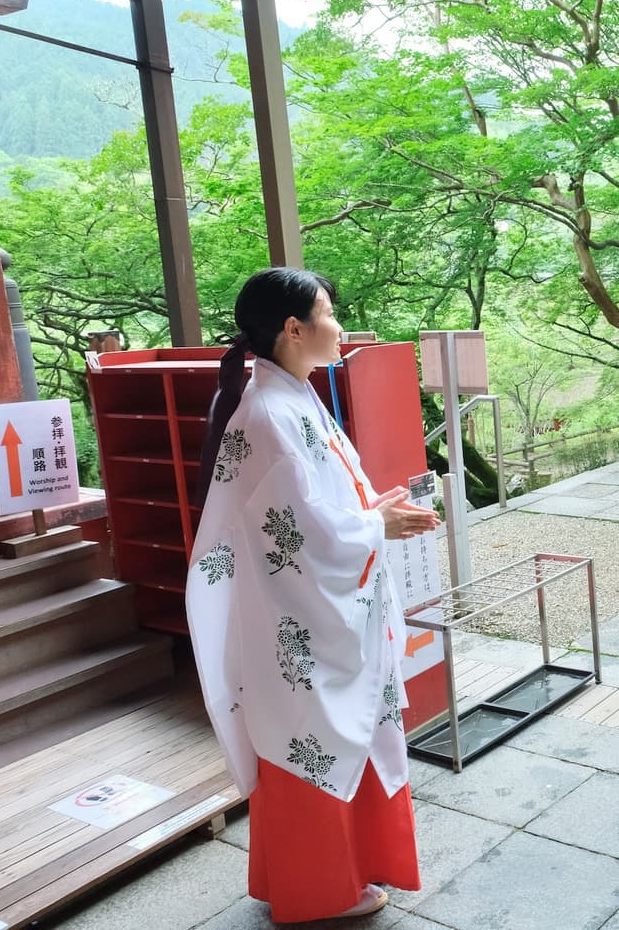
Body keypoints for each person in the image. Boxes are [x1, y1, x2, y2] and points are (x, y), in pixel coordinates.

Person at [187, 268, 440, 922]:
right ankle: (319, 889)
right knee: (317, 739)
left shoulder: (287, 396)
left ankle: (328, 877)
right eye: (330, 312)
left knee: (319, 741)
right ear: (294, 329)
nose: (340, 324)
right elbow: (297, 530)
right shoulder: (270, 412)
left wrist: (369, 511)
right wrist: (374, 524)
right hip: (299, 618)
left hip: (303, 609)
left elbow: (311, 510)